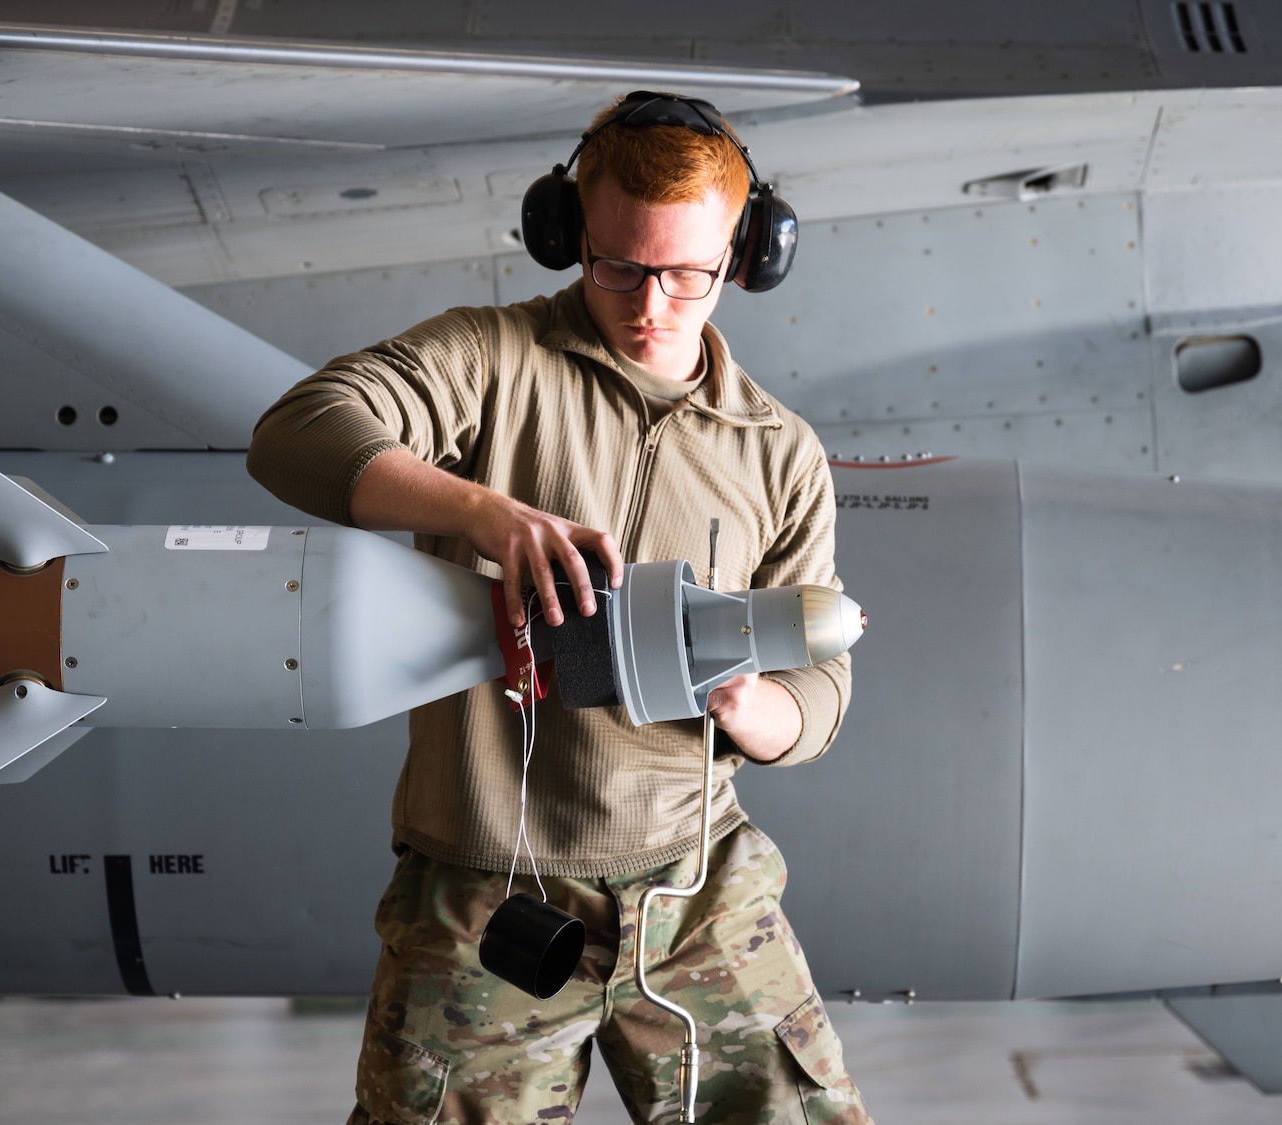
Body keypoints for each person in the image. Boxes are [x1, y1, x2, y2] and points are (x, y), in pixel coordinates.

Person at [246, 91, 870, 1125]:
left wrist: (756, 710)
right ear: (565, 235)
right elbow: (297, 433)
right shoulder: (489, 363)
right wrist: (482, 513)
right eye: (616, 265)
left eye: (686, 273)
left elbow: (820, 688)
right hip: (490, 903)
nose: (649, 303)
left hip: (699, 897)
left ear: (746, 253)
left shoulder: (777, 451)